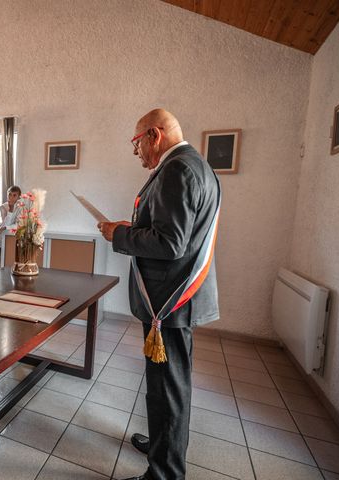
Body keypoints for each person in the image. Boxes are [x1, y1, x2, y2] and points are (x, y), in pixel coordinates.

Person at [97, 109, 221, 480]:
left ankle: (164, 473)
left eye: (137, 143)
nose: (136, 153)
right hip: (174, 298)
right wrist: (130, 227)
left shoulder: (177, 170)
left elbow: (170, 243)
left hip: (171, 301)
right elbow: (169, 230)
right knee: (166, 386)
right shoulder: (195, 164)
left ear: (154, 135)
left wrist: (118, 235)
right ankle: (161, 444)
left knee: (168, 390)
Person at [0, 185, 21, 267]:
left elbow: (18, 225)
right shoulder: (3, 207)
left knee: (9, 264)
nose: (11, 197)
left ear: (19, 197)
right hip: (0, 239)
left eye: (14, 195)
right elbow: (5, 223)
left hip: (12, 239)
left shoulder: (21, 207)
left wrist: (6, 228)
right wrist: (11, 210)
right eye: (10, 194)